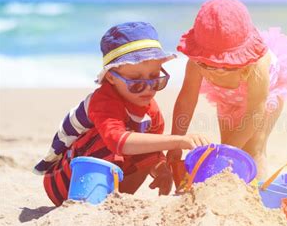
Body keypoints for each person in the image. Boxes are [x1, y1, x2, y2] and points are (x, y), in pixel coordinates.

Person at [34, 22, 209, 206]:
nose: (148, 88)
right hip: (67, 181)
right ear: (111, 77)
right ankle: (91, 202)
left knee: (147, 145)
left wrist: (160, 168)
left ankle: (116, 200)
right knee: (115, 139)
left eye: (155, 78)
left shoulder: (151, 111)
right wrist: (178, 140)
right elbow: (118, 141)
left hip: (112, 181)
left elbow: (152, 150)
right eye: (135, 81)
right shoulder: (103, 100)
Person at [168, 0, 287, 179]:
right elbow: (186, 100)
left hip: (261, 101)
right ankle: (230, 192)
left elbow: (256, 111)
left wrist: (222, 155)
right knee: (230, 150)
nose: (217, 70)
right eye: (208, 64)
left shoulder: (257, 66)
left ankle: (256, 198)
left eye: (226, 65)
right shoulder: (196, 62)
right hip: (227, 100)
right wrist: (175, 146)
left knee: (252, 149)